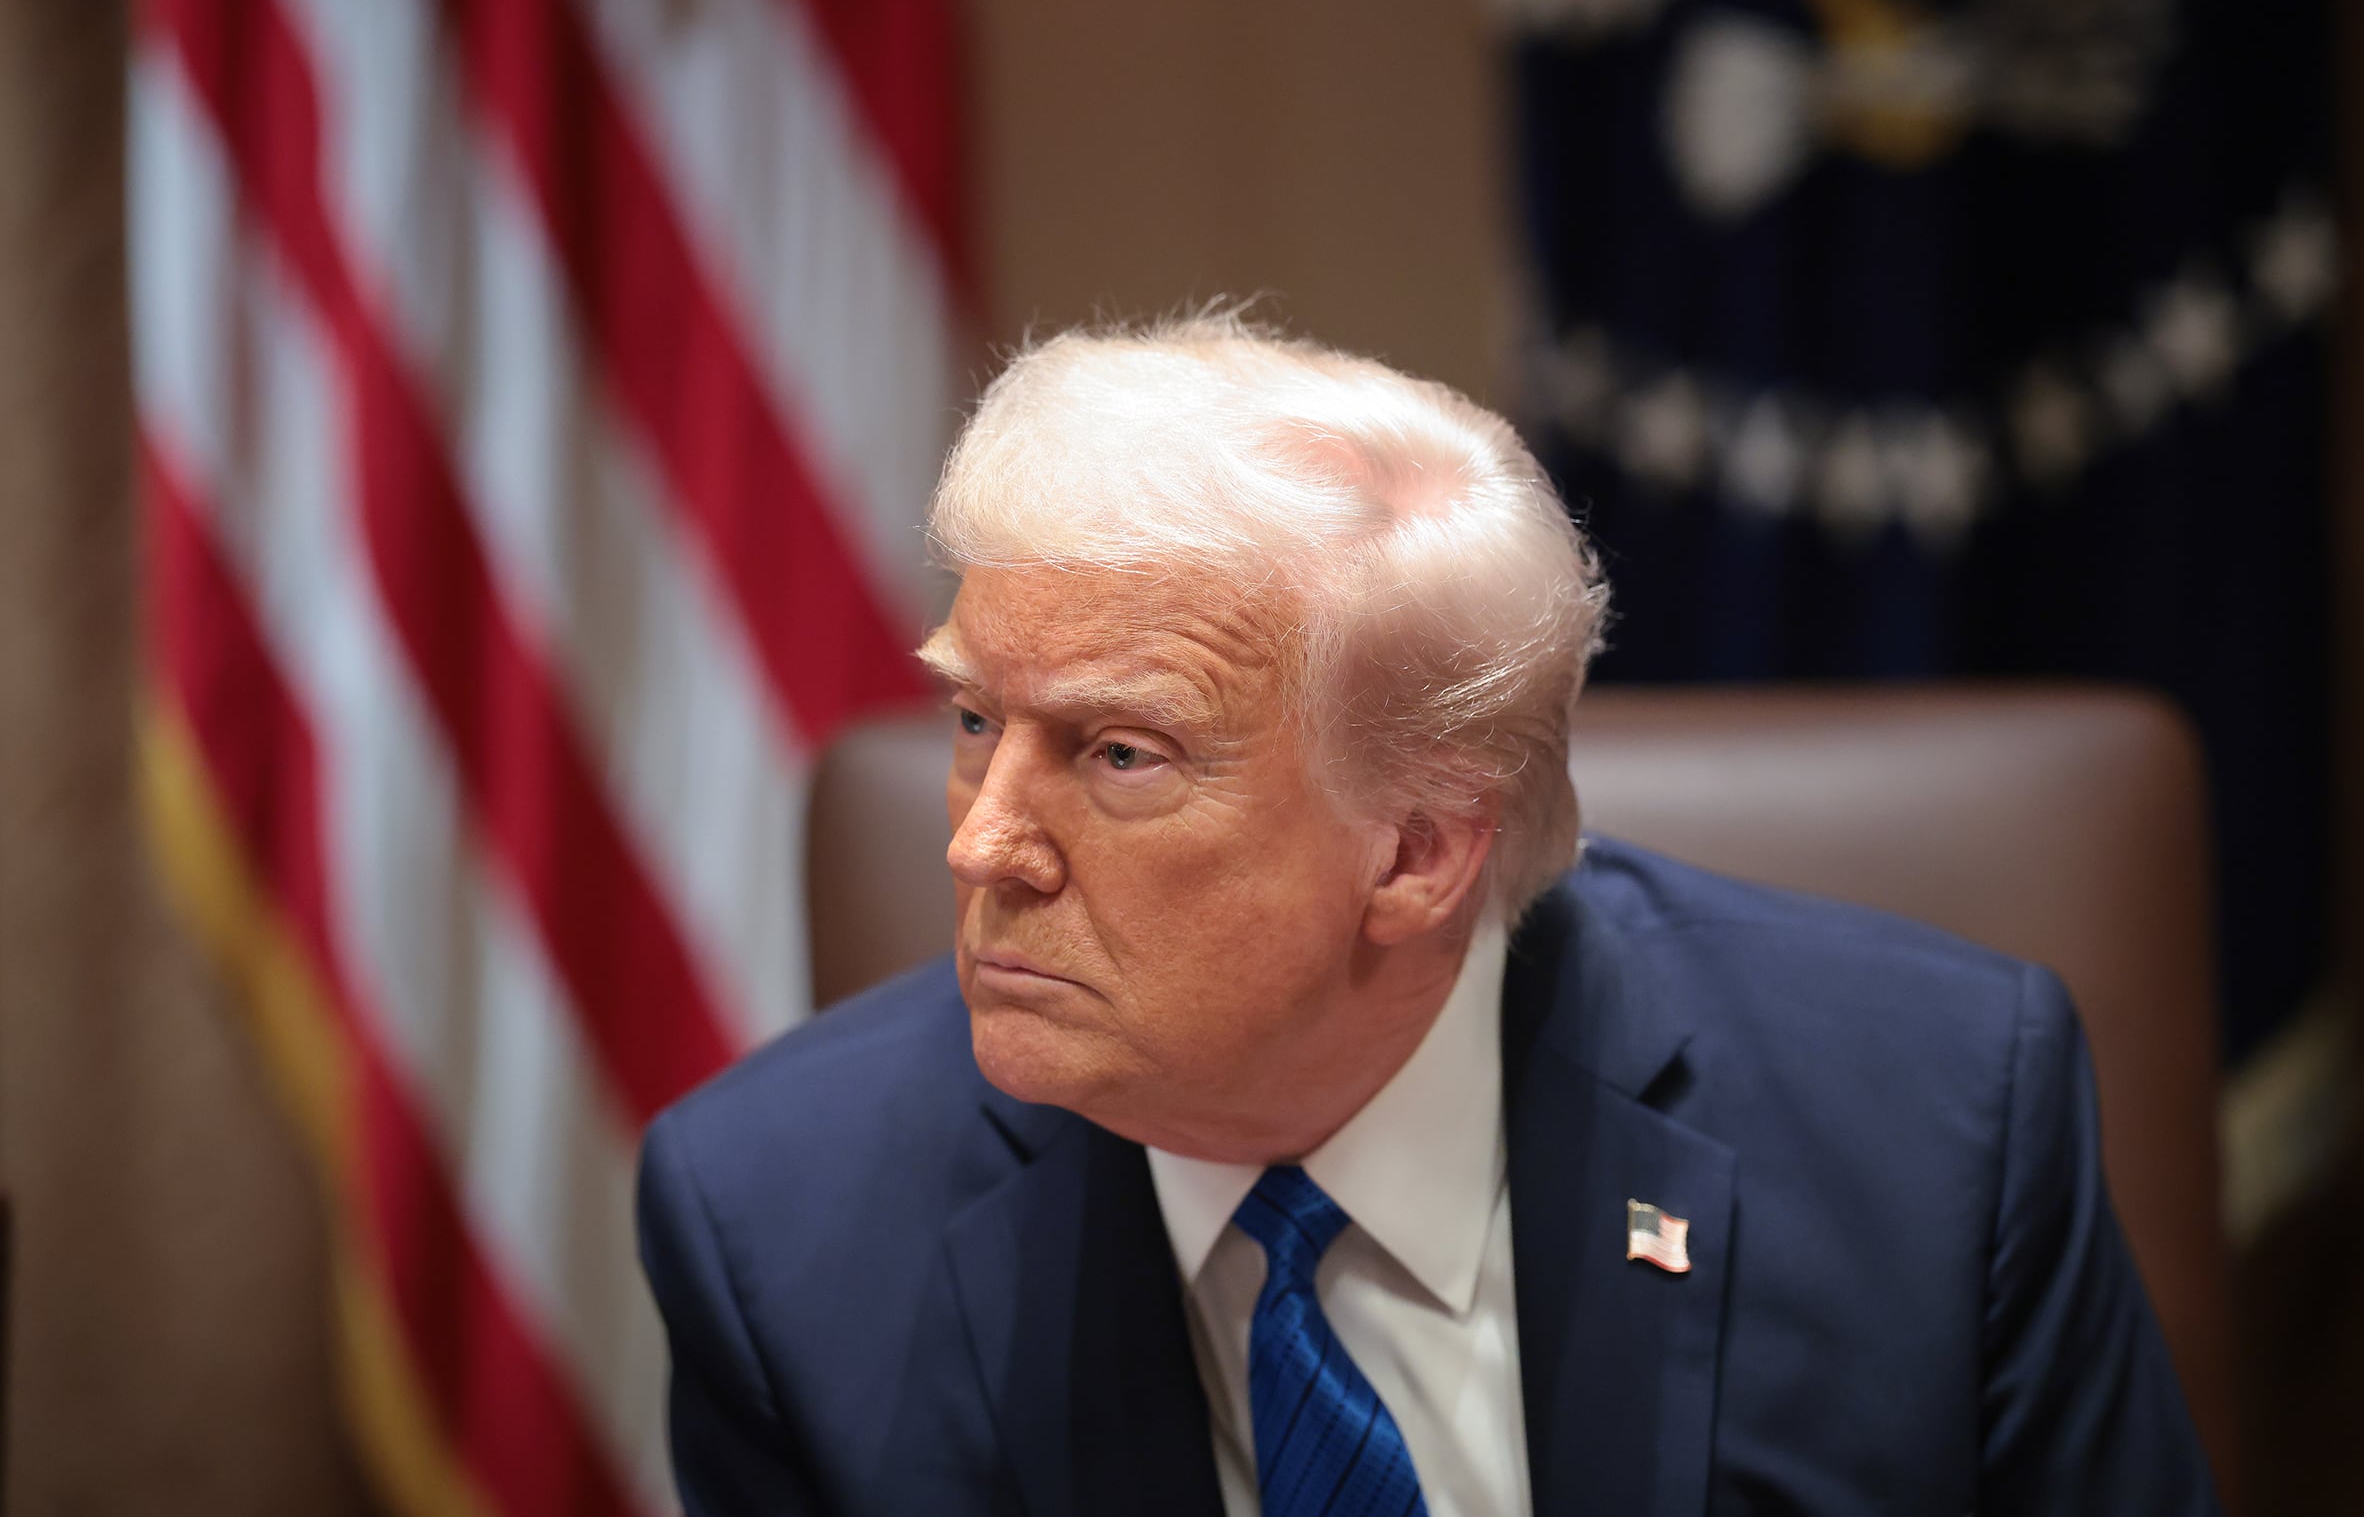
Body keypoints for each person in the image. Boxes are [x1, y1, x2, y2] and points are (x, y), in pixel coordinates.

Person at [637, 315, 2219, 1516]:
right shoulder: (780, 1229)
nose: (985, 843)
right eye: (978, 721)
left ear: (1417, 851)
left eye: (1117, 754)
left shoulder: (1930, 1131)